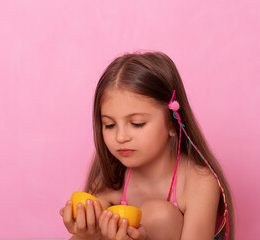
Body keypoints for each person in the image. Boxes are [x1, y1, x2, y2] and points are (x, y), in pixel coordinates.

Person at [60, 52, 234, 240]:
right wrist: (88, 235)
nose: (121, 136)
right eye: (110, 125)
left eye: (137, 124)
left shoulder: (198, 183)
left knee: (159, 214)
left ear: (172, 123)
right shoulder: (112, 179)